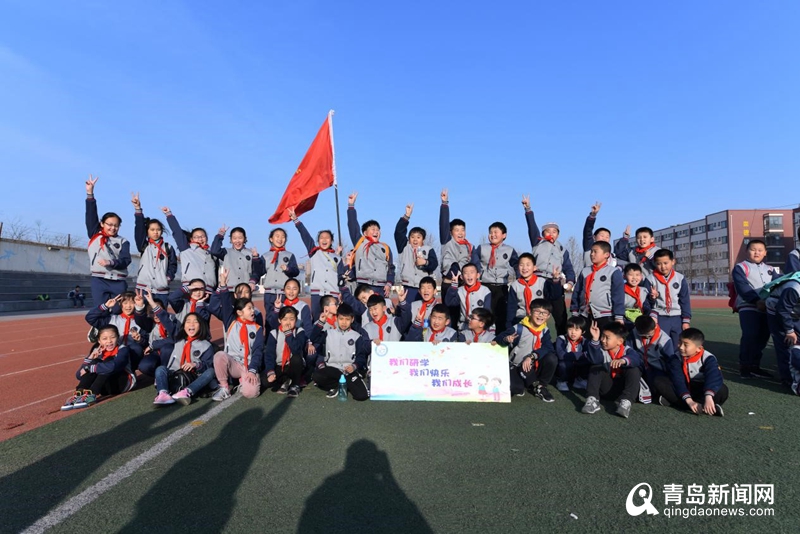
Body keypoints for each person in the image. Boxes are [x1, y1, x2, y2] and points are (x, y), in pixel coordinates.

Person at [522, 195, 575, 335]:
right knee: (536, 313)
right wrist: (528, 209)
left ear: (558, 234)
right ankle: (534, 339)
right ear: (543, 233)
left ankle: (562, 341)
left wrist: (570, 282)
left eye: (554, 231)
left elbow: (569, 269)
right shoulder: (537, 242)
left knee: (560, 316)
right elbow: (531, 226)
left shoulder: (562, 249)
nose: (551, 233)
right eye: (548, 231)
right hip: (538, 281)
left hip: (555, 282)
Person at [733, 239, 780, 379]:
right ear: (746, 251)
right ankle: (745, 367)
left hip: (767, 307)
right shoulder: (740, 267)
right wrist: (756, 300)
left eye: (760, 250)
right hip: (748, 306)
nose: (756, 252)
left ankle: (755, 366)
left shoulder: (771, 269)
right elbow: (742, 287)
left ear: (765, 253)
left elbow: (778, 284)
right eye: (753, 249)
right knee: (750, 334)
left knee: (763, 337)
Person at [654, 328, 727, 416]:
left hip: (701, 390)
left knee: (722, 389)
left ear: (699, 348)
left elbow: (714, 377)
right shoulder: (675, 358)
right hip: (683, 389)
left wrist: (708, 396)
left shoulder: (708, 358)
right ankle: (705, 408)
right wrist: (689, 400)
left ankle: (676, 403)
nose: (681, 347)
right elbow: (678, 380)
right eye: (679, 342)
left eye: (686, 345)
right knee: (659, 380)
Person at [288, 206, 345, 318]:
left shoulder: (337, 258)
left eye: (327, 238)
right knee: (317, 319)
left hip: (332, 293)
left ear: (331, 241)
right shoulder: (314, 252)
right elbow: (305, 236)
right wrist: (296, 220)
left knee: (333, 320)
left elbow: (341, 277)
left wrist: (341, 293)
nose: (324, 240)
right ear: (318, 241)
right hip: (317, 293)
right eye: (321, 238)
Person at [61, 325, 135, 410]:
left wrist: (90, 368)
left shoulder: (123, 349)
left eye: (112, 337)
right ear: (99, 341)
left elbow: (113, 366)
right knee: (95, 362)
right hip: (104, 388)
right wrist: (90, 359)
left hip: (123, 384)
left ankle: (92, 394)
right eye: (104, 339)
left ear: (117, 338)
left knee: (107, 362)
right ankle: (79, 394)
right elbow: (79, 375)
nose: (109, 341)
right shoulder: (97, 351)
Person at [495, 298, 557, 401]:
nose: (540, 315)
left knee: (552, 358)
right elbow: (498, 338)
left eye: (544, 313)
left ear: (548, 316)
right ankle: (528, 382)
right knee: (516, 389)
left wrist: (532, 356)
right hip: (517, 365)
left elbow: (548, 348)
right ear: (530, 312)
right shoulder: (518, 328)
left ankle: (541, 386)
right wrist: (506, 339)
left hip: (534, 364)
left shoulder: (545, 330)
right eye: (537, 311)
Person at [211, 288, 265, 401]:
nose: (253, 311)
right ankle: (224, 387)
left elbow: (258, 350)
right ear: (240, 312)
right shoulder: (231, 322)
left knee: (251, 393)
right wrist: (223, 286)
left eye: (253, 308)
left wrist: (252, 370)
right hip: (233, 363)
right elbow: (226, 304)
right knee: (219, 355)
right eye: (249, 308)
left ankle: (242, 381)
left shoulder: (258, 328)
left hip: (247, 366)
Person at [84, 175, 130, 305]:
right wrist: (90, 193)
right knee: (101, 309)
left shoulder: (123, 241)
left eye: (116, 225)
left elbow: (126, 260)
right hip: (99, 280)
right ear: (102, 224)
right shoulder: (95, 234)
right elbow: (91, 215)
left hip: (118, 281)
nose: (113, 228)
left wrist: (111, 262)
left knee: (117, 310)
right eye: (109, 224)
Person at [153, 313, 217, 406]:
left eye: (195, 322)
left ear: (201, 325)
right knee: (160, 369)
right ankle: (163, 394)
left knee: (211, 371)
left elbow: (208, 365)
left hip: (193, 378)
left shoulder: (205, 345)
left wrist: (195, 364)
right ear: (184, 326)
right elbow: (167, 322)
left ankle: (186, 392)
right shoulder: (178, 339)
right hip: (175, 375)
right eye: (188, 322)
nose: (191, 324)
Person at [310, 303, 371, 400]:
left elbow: (361, 357)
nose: (344, 322)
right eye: (341, 319)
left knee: (362, 396)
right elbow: (314, 338)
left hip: (349, 371)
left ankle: (344, 384)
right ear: (336, 318)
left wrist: (354, 366)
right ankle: (339, 385)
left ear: (352, 320)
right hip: (332, 369)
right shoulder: (329, 333)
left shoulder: (357, 336)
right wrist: (321, 322)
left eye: (347, 319)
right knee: (316, 376)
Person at [582, 321, 642, 418]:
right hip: (606, 389)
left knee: (634, 369)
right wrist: (595, 339)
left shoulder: (627, 350)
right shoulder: (601, 350)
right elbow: (594, 359)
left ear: (620, 341)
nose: (603, 340)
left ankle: (626, 402)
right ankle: (592, 400)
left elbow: (636, 359)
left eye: (607, 338)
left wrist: (623, 360)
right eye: (602, 336)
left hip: (623, 390)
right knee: (596, 367)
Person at [85, 292, 149, 374]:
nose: (128, 306)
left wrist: (140, 340)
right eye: (125, 303)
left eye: (132, 303)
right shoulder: (111, 319)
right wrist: (105, 306)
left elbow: (146, 342)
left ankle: (130, 372)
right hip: (111, 351)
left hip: (129, 355)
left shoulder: (140, 322)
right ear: (120, 304)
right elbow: (90, 318)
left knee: (137, 348)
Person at [472, 221, 518, 333]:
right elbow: (474, 261)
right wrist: (478, 271)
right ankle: (483, 337)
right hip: (485, 285)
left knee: (501, 316)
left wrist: (520, 278)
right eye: (491, 232)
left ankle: (500, 339)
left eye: (496, 232)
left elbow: (517, 264)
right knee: (485, 315)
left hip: (501, 287)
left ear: (504, 235)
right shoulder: (481, 248)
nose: (492, 235)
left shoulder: (510, 250)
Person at [347, 191, 395, 297]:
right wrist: (351, 206)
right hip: (363, 285)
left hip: (380, 287)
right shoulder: (360, 242)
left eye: (378, 230)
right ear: (365, 233)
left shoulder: (385, 248)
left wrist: (389, 283)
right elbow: (352, 225)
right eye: (373, 229)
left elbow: (391, 268)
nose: (376, 231)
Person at [132, 192, 177, 298]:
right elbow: (139, 229)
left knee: (160, 309)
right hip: (143, 288)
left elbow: (173, 265)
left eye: (158, 229)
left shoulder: (168, 247)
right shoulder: (144, 245)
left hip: (161, 289)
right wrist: (138, 209)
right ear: (147, 232)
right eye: (152, 230)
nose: (155, 232)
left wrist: (168, 278)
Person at [570, 242, 625, 328]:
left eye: (595, 251)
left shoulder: (613, 272)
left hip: (606, 315)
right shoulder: (585, 271)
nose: (592, 254)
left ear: (606, 254)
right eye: (591, 251)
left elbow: (618, 295)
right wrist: (574, 310)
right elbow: (577, 291)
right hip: (585, 314)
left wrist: (619, 316)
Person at [439, 189, 473, 324]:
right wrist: (444, 203)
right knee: (449, 319)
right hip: (448, 285)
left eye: (462, 230)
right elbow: (443, 223)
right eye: (457, 230)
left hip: (463, 286)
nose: (460, 233)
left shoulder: (469, 247)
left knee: (463, 317)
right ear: (450, 232)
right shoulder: (447, 241)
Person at [163, 206, 217, 291]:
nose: (200, 239)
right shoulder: (186, 249)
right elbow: (177, 232)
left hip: (208, 289)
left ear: (207, 238)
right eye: (196, 237)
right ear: (191, 239)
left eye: (202, 236)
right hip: (191, 287)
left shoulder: (212, 254)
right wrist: (169, 215)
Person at [646, 249, 691, 349]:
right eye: (659, 264)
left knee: (677, 345)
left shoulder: (680, 278)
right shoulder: (650, 279)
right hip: (659, 317)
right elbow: (646, 303)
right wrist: (652, 298)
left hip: (677, 317)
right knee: (661, 345)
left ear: (673, 261)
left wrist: (686, 320)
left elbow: (685, 301)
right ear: (654, 263)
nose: (663, 267)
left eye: (666, 263)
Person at [394, 203, 438, 303]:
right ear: (409, 239)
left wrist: (425, 262)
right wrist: (406, 216)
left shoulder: (428, 249)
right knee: (406, 310)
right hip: (408, 286)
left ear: (423, 239)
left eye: (418, 237)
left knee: (423, 310)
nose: (415, 240)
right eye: (412, 237)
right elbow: (398, 232)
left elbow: (434, 264)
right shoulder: (404, 247)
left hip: (423, 287)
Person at [627, 315, 674, 404]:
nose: (647, 337)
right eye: (643, 336)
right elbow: (628, 350)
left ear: (655, 326)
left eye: (649, 335)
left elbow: (671, 361)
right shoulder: (633, 333)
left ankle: (663, 396)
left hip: (656, 368)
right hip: (640, 364)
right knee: (631, 376)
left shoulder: (665, 340)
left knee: (657, 383)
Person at [263, 306, 308, 398]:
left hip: (293, 366)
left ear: (296, 320)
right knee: (265, 382)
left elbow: (296, 349)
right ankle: (286, 380)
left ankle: (295, 385)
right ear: (279, 320)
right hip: (279, 366)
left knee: (296, 358)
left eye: (291, 319)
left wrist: (288, 334)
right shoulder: (274, 333)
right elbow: (269, 355)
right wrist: (270, 371)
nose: (288, 322)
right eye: (285, 319)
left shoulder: (299, 331)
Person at [256, 227, 300, 311]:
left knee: (285, 315)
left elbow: (296, 272)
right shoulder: (265, 256)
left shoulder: (290, 255)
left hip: (284, 293)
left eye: (283, 236)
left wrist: (288, 269)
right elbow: (259, 272)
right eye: (277, 236)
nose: (280, 239)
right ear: (271, 239)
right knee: (270, 316)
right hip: (269, 293)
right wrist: (256, 260)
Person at [506, 252, 550, 330]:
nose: (524, 268)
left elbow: (553, 297)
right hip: (521, 319)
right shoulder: (515, 285)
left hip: (538, 319)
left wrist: (556, 281)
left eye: (528, 265)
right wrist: (509, 326)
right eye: (521, 265)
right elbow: (511, 308)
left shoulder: (542, 282)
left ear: (534, 267)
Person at [210, 225, 262, 290]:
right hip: (229, 289)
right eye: (234, 238)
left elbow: (257, 271)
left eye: (240, 238)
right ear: (231, 240)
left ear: (245, 239)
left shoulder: (251, 253)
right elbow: (214, 251)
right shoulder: (226, 252)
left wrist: (252, 281)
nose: (237, 241)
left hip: (245, 290)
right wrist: (220, 235)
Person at [444, 263, 491, 331]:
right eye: (466, 273)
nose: (469, 275)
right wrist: (454, 285)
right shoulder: (459, 291)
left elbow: (487, 312)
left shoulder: (485, 291)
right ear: (461, 277)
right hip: (464, 327)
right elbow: (449, 303)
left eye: (472, 272)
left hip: (480, 327)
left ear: (478, 275)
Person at [555, 315, 589, 392]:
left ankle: (579, 380)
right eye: (570, 329)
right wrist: (581, 355)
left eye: (577, 330)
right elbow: (561, 355)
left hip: (578, 366)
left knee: (588, 362)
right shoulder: (561, 339)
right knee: (563, 364)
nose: (573, 332)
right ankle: (561, 381)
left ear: (583, 332)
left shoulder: (585, 341)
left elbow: (589, 355)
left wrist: (580, 356)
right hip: (566, 366)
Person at [581, 202, 617, 268]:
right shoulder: (590, 247)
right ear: (594, 237)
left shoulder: (612, 256)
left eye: (607, 237)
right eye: (602, 236)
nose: (604, 238)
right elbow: (587, 231)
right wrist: (593, 215)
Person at [622, 263, 651, 330]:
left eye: (637, 275)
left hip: (641, 322)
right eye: (630, 275)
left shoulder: (644, 291)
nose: (634, 277)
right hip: (626, 322)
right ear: (624, 276)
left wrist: (652, 298)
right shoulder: (621, 291)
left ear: (641, 276)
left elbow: (647, 307)